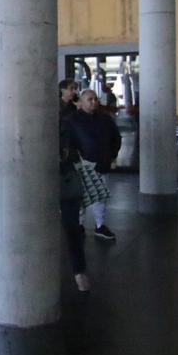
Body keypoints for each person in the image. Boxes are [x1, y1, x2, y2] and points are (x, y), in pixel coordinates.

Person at [70, 87, 120, 241]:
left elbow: (116, 138)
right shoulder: (72, 120)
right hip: (81, 166)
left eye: (95, 99)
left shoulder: (105, 119)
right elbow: (69, 142)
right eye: (89, 99)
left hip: (102, 163)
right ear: (81, 102)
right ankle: (79, 225)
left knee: (100, 197)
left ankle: (100, 225)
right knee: (81, 198)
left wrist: (111, 155)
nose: (93, 102)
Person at [59, 100, 90, 292]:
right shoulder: (69, 124)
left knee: (71, 229)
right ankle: (79, 273)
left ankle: (79, 272)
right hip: (67, 181)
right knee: (72, 230)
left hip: (60, 182)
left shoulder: (67, 125)